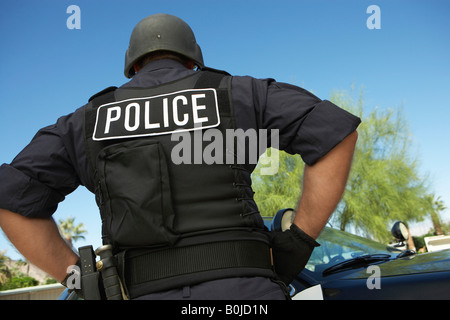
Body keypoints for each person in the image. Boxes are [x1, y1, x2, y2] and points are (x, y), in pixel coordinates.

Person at [0, 13, 360, 300]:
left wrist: (80, 279)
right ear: (192, 60)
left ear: (133, 65)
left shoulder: (86, 121)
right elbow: (334, 132)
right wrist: (297, 241)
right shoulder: (237, 93)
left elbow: (10, 200)